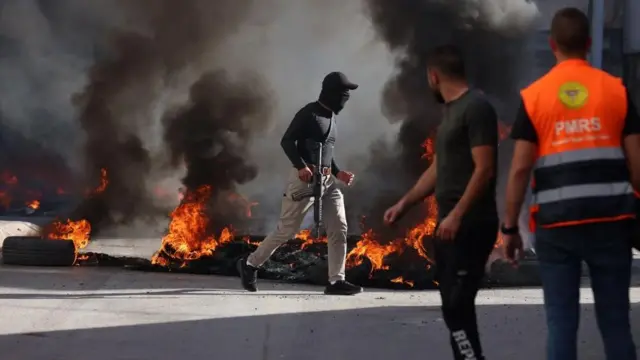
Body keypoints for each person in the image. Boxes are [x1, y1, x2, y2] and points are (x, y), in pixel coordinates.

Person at [502, 7, 640, 360]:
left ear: (552, 45)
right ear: (589, 42)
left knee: (562, 324)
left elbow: (519, 170)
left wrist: (510, 228)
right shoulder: (616, 91)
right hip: (611, 223)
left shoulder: (536, 96)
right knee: (616, 324)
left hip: (557, 224)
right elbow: (638, 164)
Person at [384, 45, 499, 360]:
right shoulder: (452, 113)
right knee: (452, 306)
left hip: (471, 224)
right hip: (451, 224)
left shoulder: (476, 108)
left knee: (457, 305)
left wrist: (458, 215)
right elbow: (439, 168)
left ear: (434, 76)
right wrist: (404, 203)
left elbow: (485, 168)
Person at [237, 71, 363, 296]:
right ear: (331, 92)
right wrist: (300, 166)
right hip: (303, 180)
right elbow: (287, 141)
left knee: (339, 228)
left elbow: (325, 152)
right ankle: (250, 264)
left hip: (328, 182)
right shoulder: (309, 113)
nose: (346, 98)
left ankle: (336, 281)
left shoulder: (332, 117)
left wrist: (337, 172)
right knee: (286, 230)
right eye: (343, 93)